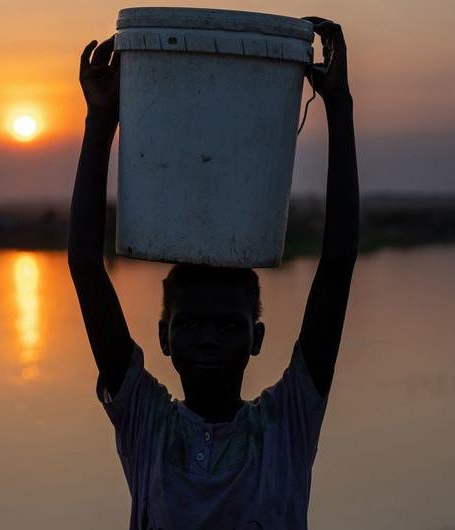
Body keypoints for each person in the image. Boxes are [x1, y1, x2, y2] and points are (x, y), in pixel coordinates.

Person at [67, 16, 358, 530]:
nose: (207, 339)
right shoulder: (145, 423)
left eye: (228, 327)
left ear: (256, 338)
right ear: (163, 335)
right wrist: (101, 121)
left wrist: (339, 104)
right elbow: (87, 268)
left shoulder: (287, 422)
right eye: (190, 324)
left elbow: (336, 267)